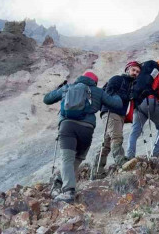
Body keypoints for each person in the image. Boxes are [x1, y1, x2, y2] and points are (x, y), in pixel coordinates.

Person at [43, 71, 122, 203]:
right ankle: (61, 184)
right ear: (94, 82)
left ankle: (67, 191)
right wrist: (116, 94)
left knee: (67, 158)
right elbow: (117, 104)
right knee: (78, 158)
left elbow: (47, 99)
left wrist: (59, 89)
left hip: (67, 127)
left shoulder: (68, 87)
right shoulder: (98, 91)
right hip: (86, 129)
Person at [94, 61, 141, 178]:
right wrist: (127, 97)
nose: (135, 73)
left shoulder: (132, 85)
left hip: (118, 114)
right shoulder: (117, 79)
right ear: (127, 69)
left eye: (137, 72)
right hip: (111, 111)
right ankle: (121, 162)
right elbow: (108, 92)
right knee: (117, 137)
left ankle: (96, 172)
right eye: (133, 70)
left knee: (106, 144)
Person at [127, 60, 159, 159]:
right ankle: (155, 154)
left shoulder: (143, 75)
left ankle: (129, 156)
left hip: (137, 103)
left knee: (135, 131)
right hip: (150, 101)